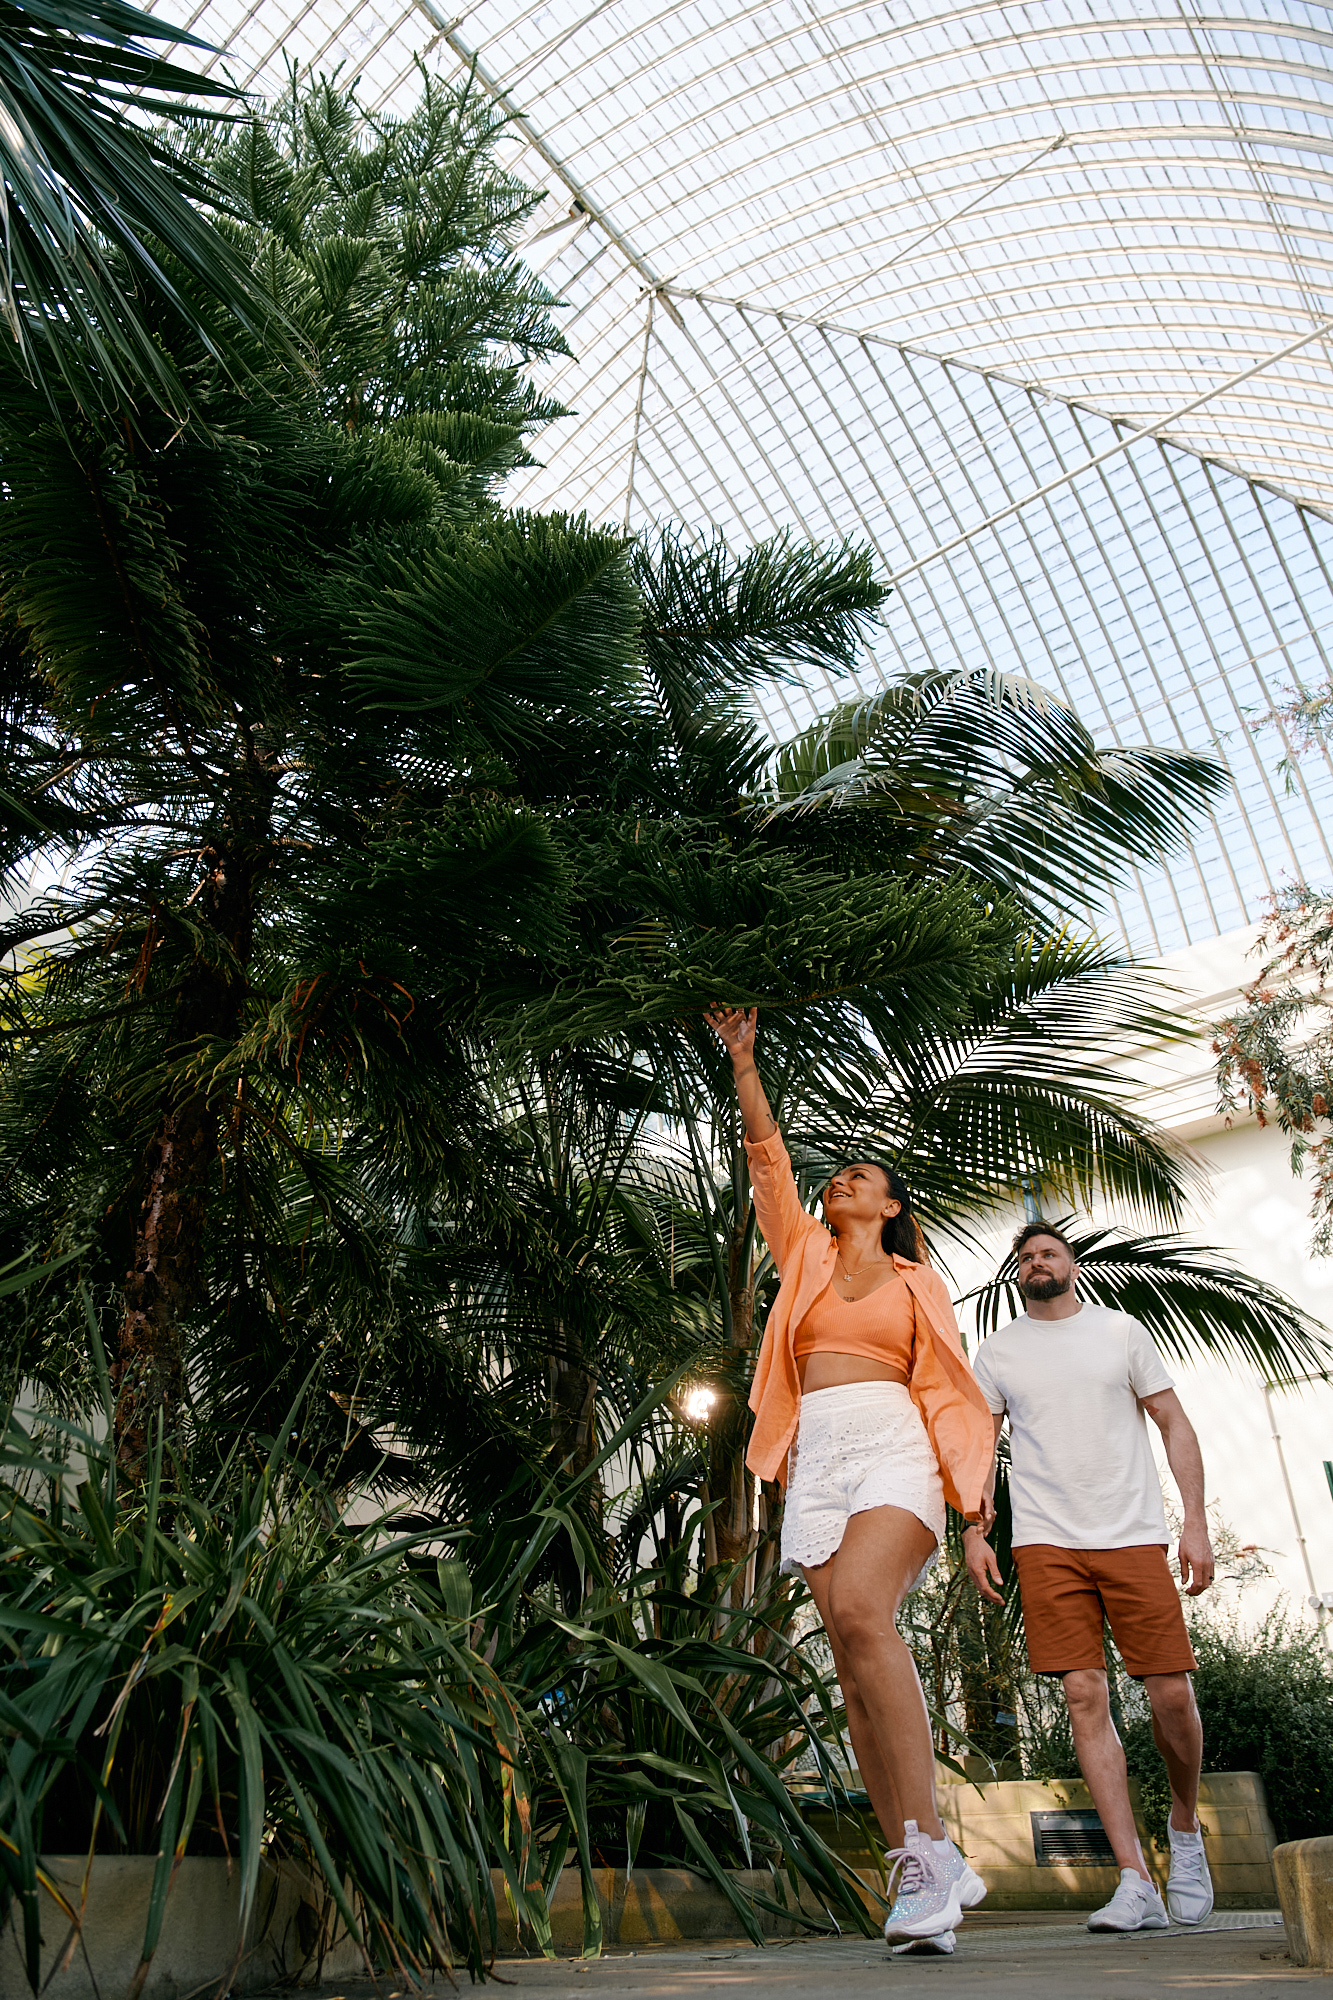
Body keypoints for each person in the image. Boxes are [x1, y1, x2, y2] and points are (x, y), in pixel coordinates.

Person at [707, 1004, 995, 1953]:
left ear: (890, 1205)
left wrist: (975, 1510)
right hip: (816, 1456)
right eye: (838, 1174)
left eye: (860, 1176)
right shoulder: (805, 1256)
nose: (842, 1179)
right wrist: (744, 1063)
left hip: (892, 1445)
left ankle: (919, 1850)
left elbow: (949, 1392)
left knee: (868, 1614)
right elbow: (767, 1167)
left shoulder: (919, 1284)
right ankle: (925, 1865)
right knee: (849, 1655)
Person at [964, 1220, 1216, 1933]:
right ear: (1017, 1274)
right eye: (1025, 1257)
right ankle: (1133, 1878)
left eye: (1047, 1252)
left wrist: (1191, 1522)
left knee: (1169, 1692)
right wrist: (973, 1530)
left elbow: (1173, 1423)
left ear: (1071, 1265)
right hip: (1045, 1541)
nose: (1035, 1262)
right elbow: (980, 1448)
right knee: (1081, 1692)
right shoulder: (998, 1352)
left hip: (1132, 1533)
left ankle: (1184, 1825)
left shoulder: (1119, 1332)